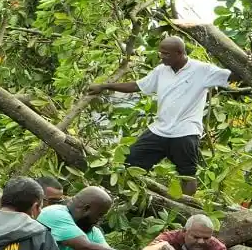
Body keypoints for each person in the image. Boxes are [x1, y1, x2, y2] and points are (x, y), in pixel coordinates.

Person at [86, 37, 231, 196]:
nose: (161, 56)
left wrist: (250, 62)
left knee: (187, 175)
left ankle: (186, 209)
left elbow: (231, 77)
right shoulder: (161, 70)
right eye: (160, 53)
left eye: (166, 54)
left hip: (185, 131)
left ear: (180, 53)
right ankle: (125, 197)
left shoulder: (202, 70)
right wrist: (104, 86)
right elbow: (137, 85)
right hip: (159, 130)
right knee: (130, 163)